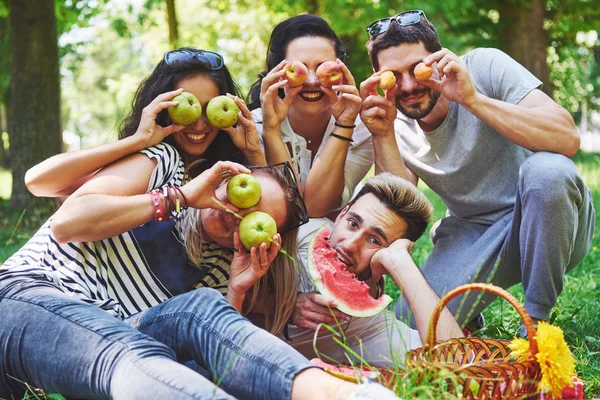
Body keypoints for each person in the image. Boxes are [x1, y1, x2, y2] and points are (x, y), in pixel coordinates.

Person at [23, 47, 299, 334]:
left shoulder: (224, 243)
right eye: (189, 107)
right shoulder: (161, 161)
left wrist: (254, 151)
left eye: (211, 110)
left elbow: (278, 211)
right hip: (45, 295)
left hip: (103, 335)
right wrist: (138, 143)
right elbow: (43, 189)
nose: (200, 123)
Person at [359, 10, 596, 332]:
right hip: (473, 233)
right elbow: (399, 211)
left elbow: (566, 139)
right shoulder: (392, 122)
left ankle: (538, 323)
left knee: (547, 172)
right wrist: (383, 134)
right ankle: (470, 310)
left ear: (439, 58)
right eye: (393, 76)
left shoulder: (483, 67)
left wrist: (472, 100)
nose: (409, 85)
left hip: (552, 222)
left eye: (417, 68)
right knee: (413, 330)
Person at [283, 173, 463, 367]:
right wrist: (288, 307)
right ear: (342, 214)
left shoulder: (369, 326)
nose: (351, 244)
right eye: (352, 223)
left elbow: (458, 361)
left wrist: (401, 263)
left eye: (374, 240)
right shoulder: (300, 234)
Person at [247, 14, 373, 218]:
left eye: (323, 67)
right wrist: (271, 130)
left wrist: (344, 125)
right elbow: (289, 212)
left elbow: (314, 207)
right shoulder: (253, 127)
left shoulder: (360, 129)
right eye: (300, 69)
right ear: (277, 73)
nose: (313, 80)